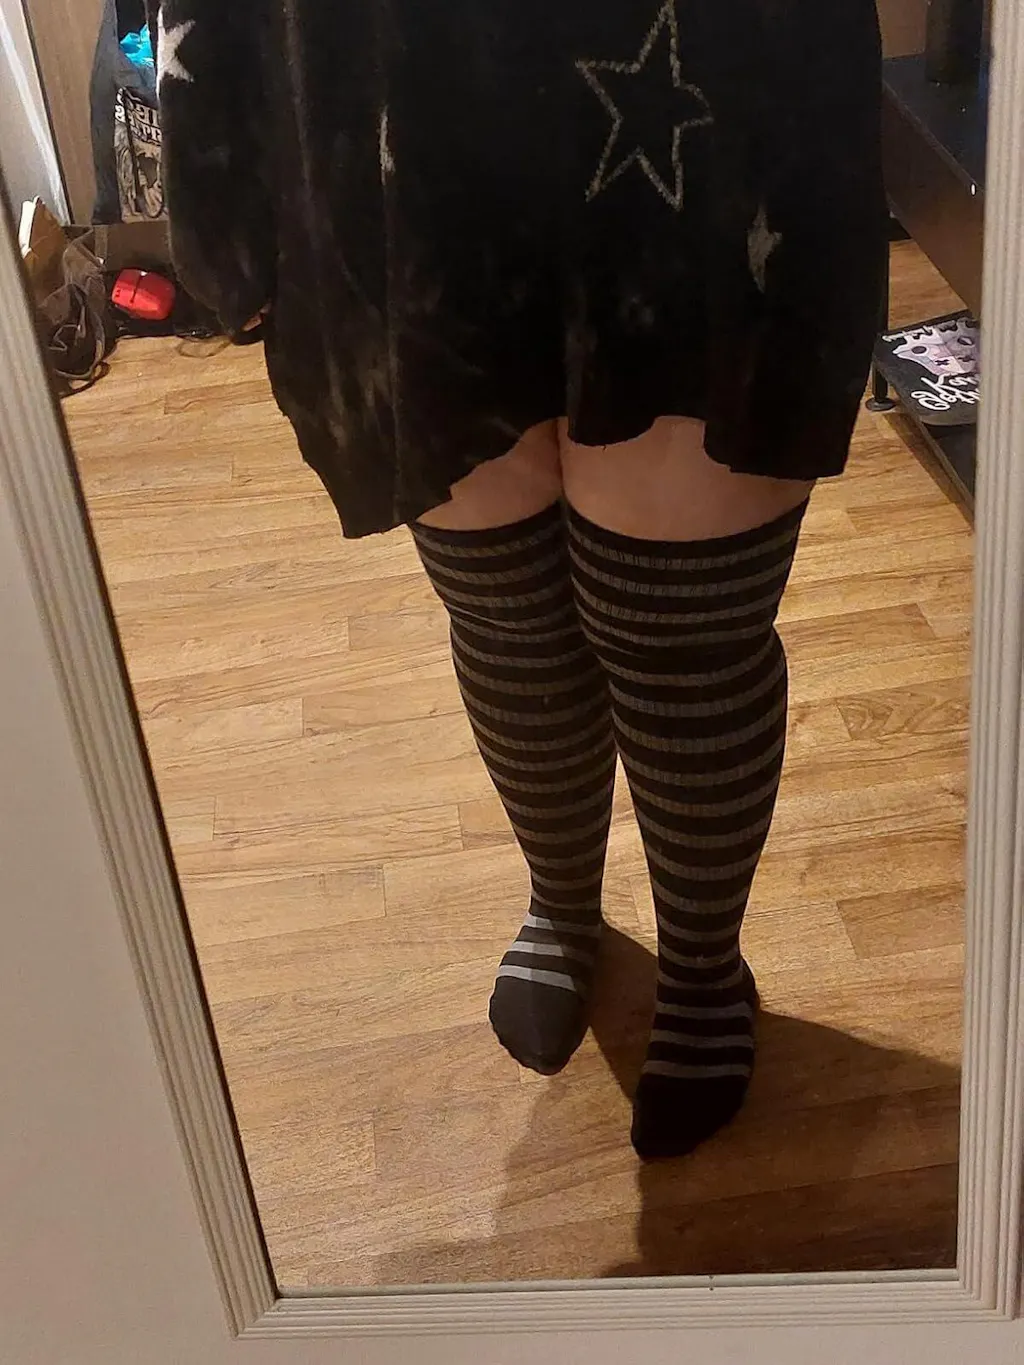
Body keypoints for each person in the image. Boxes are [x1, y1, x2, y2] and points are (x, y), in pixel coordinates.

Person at [157, 0, 887, 1159]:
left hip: (707, 78)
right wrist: (215, 182)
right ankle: (561, 899)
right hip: (389, 88)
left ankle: (703, 969)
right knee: (508, 616)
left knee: (681, 635)